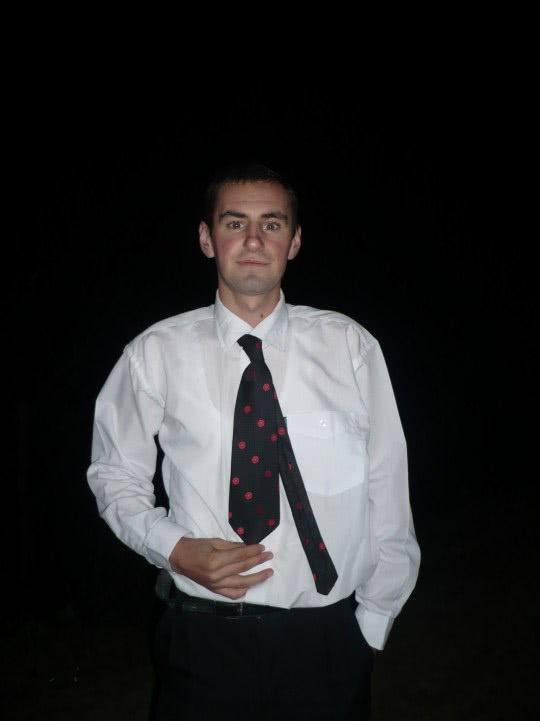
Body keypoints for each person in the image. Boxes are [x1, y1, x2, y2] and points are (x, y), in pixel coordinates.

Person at [87, 163, 420, 721]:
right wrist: (173, 548)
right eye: (235, 222)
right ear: (206, 238)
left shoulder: (350, 347)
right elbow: (113, 473)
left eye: (271, 224)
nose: (253, 240)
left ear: (294, 241)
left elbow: (388, 486)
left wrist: (372, 622)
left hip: (326, 645)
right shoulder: (154, 354)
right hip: (200, 642)